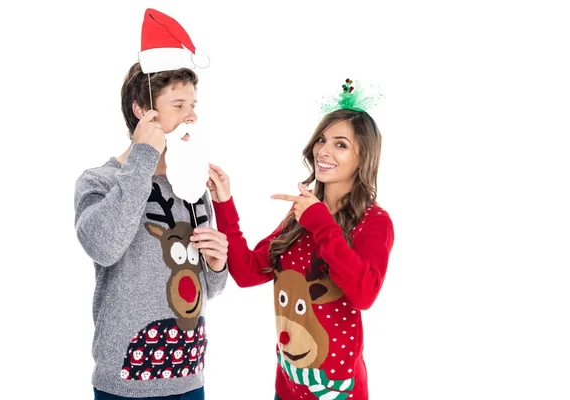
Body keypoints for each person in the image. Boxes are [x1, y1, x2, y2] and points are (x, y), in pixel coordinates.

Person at [201, 79, 394, 399]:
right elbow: (249, 273)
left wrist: (320, 221)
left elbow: (363, 294)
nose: (324, 150)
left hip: (340, 393)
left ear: (363, 159)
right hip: (287, 388)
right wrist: (224, 202)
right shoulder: (300, 214)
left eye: (341, 144)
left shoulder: (374, 222)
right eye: (322, 139)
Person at [74, 9, 227, 400]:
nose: (192, 116)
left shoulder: (192, 186)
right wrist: (144, 157)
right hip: (124, 381)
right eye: (179, 105)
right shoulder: (98, 182)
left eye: (193, 104)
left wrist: (217, 262)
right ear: (144, 111)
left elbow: (211, 287)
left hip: (188, 374)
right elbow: (105, 247)